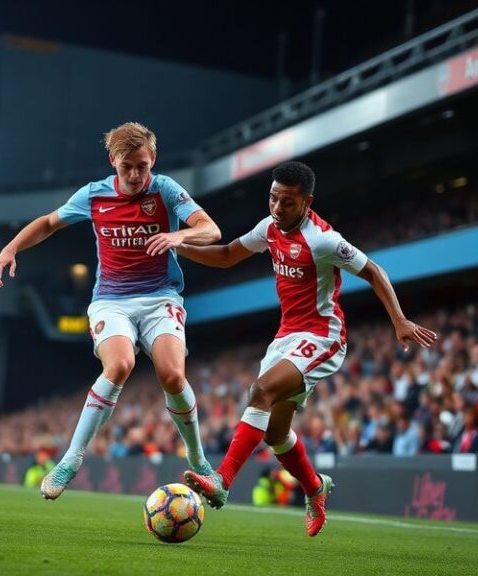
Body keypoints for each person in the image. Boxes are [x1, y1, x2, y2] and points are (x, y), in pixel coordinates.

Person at [179, 161, 437, 536]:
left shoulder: (323, 240)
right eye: (272, 198)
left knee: (260, 392)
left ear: (306, 202)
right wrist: (177, 245)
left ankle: (221, 480)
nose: (277, 208)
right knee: (275, 433)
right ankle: (316, 488)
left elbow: (374, 271)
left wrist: (399, 320)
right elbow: (227, 256)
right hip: (286, 337)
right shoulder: (268, 228)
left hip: (323, 337)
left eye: (287, 202)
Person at [0, 122, 222, 501]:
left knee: (173, 375)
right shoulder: (93, 196)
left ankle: (198, 459)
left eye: (142, 166)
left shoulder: (164, 189)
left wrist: (179, 235)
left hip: (160, 296)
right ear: (113, 160)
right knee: (118, 366)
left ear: (153, 161)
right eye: (127, 166)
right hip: (111, 300)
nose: (134, 175)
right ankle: (71, 458)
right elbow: (49, 223)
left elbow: (211, 229)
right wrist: (10, 248)